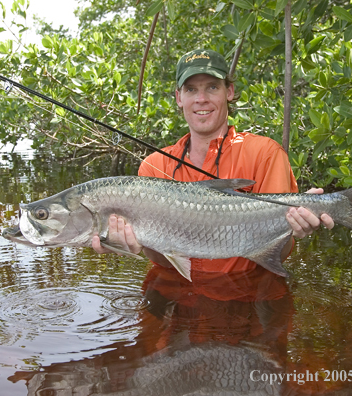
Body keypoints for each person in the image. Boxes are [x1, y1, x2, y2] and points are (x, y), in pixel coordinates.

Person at [92, 49, 334, 273]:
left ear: (228, 92)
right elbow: (163, 260)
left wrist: (295, 228)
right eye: (191, 90)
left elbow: (277, 254)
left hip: (247, 292)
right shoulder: (154, 166)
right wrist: (133, 245)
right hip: (175, 293)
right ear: (179, 98)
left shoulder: (265, 154)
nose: (201, 99)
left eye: (212, 88)